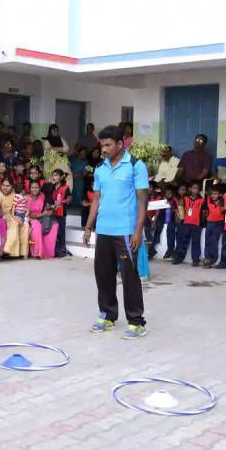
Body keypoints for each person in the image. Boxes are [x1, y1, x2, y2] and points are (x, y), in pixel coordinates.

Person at [83, 125, 149, 340]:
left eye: (108, 144)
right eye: (102, 144)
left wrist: (138, 230)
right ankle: (108, 315)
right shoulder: (100, 168)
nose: (104, 148)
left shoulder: (135, 166)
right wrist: (88, 226)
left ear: (120, 144)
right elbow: (96, 198)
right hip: (104, 230)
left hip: (125, 232)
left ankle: (137, 321)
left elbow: (142, 199)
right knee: (103, 275)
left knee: (130, 277)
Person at [172, 182, 205, 266]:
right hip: (185, 223)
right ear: (190, 189)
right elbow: (180, 208)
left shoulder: (202, 200)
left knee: (196, 242)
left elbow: (204, 213)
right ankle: (178, 258)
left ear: (199, 190)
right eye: (193, 188)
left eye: (197, 188)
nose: (195, 190)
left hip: (197, 224)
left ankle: (195, 260)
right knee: (182, 241)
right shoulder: (185, 198)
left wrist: (202, 223)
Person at [0, 178, 30, 259]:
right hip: (1, 216)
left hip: (13, 215)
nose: (5, 188)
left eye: (8, 186)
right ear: (0, 185)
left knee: (25, 225)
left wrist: (26, 210)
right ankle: (7, 250)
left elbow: (21, 205)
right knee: (14, 223)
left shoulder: (14, 195)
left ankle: (22, 252)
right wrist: (13, 217)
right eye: (3, 185)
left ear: (12, 186)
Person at [26, 180, 57, 259]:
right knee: (37, 225)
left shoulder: (43, 196)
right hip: (30, 219)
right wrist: (43, 214)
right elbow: (28, 214)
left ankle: (48, 252)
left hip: (41, 218)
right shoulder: (26, 198)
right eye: (32, 187)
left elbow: (48, 207)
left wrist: (51, 211)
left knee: (55, 225)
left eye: (36, 187)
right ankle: (36, 252)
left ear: (40, 188)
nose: (35, 189)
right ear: (29, 189)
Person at [203, 184, 226, 268]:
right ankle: (207, 258)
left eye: (215, 194)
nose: (213, 195)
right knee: (207, 241)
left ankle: (213, 259)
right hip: (209, 222)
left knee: (214, 242)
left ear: (220, 194)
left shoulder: (223, 202)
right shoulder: (208, 200)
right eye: (212, 194)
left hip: (219, 223)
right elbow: (205, 212)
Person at [42, 124, 72, 189]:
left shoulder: (61, 139)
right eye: (53, 130)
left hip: (63, 164)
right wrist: (61, 149)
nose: (55, 131)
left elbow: (66, 149)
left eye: (56, 130)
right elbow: (48, 150)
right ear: (50, 131)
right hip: (52, 164)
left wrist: (53, 148)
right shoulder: (46, 141)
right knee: (53, 184)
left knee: (66, 182)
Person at [51, 169, 72, 257]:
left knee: (61, 232)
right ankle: (53, 249)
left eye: (56, 175)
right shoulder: (51, 187)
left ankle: (62, 249)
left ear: (61, 177)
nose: (53, 177)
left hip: (61, 212)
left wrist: (62, 202)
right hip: (52, 212)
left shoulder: (66, 187)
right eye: (53, 175)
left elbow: (69, 199)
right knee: (53, 231)